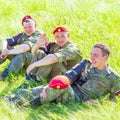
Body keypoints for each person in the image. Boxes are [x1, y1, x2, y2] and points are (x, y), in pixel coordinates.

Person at [3, 43, 120, 106]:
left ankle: (28, 106)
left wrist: (97, 103)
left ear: (106, 57)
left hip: (77, 99)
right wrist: (49, 87)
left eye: (96, 55)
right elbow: (68, 76)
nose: (92, 58)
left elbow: (114, 101)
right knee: (41, 89)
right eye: (91, 54)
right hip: (68, 90)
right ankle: (8, 99)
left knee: (60, 86)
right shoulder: (86, 63)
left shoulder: (114, 78)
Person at [0, 15, 47, 81]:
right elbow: (5, 41)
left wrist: (8, 52)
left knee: (23, 54)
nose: (28, 29)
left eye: (30, 27)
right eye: (25, 27)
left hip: (37, 63)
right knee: (3, 47)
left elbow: (25, 48)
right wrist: (4, 49)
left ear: (35, 26)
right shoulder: (23, 35)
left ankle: (5, 76)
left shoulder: (39, 34)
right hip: (25, 61)